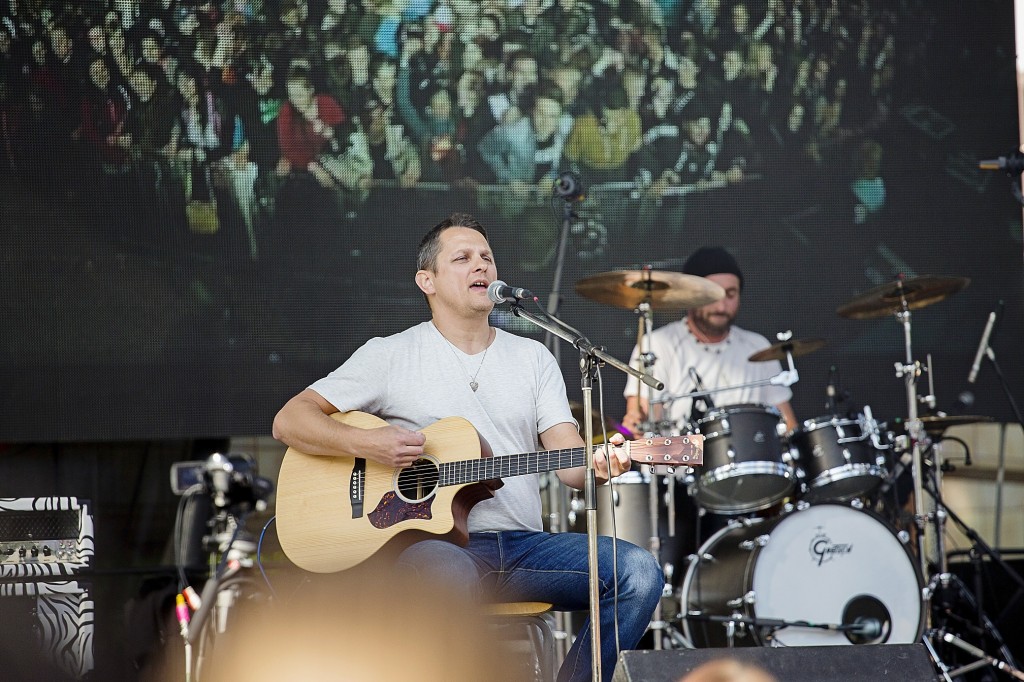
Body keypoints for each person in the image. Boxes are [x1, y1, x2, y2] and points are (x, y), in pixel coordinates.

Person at [273, 213, 663, 682]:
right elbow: (290, 420)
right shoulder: (390, 355)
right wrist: (370, 443)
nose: (481, 265)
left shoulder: (533, 357)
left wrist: (604, 463)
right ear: (428, 281)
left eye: (487, 257)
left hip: (525, 549)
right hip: (433, 549)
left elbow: (571, 466)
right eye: (462, 258)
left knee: (639, 573)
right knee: (448, 574)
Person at [622, 246, 797, 435]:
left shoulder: (757, 345)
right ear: (690, 295)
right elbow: (643, 427)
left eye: (730, 294)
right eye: (713, 295)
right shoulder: (658, 344)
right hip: (682, 454)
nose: (721, 306)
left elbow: (788, 426)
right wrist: (638, 424)